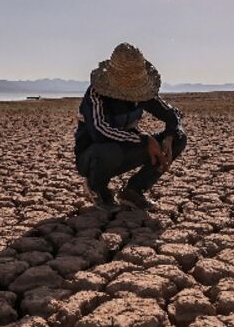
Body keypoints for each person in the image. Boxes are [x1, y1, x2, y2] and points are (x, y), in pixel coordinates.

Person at [74, 43, 186, 209]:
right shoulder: (96, 94)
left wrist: (169, 137)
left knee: (180, 137)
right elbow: (100, 131)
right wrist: (144, 139)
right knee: (109, 150)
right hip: (93, 157)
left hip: (126, 149)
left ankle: (133, 190)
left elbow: (172, 115)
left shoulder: (142, 93)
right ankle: (96, 187)